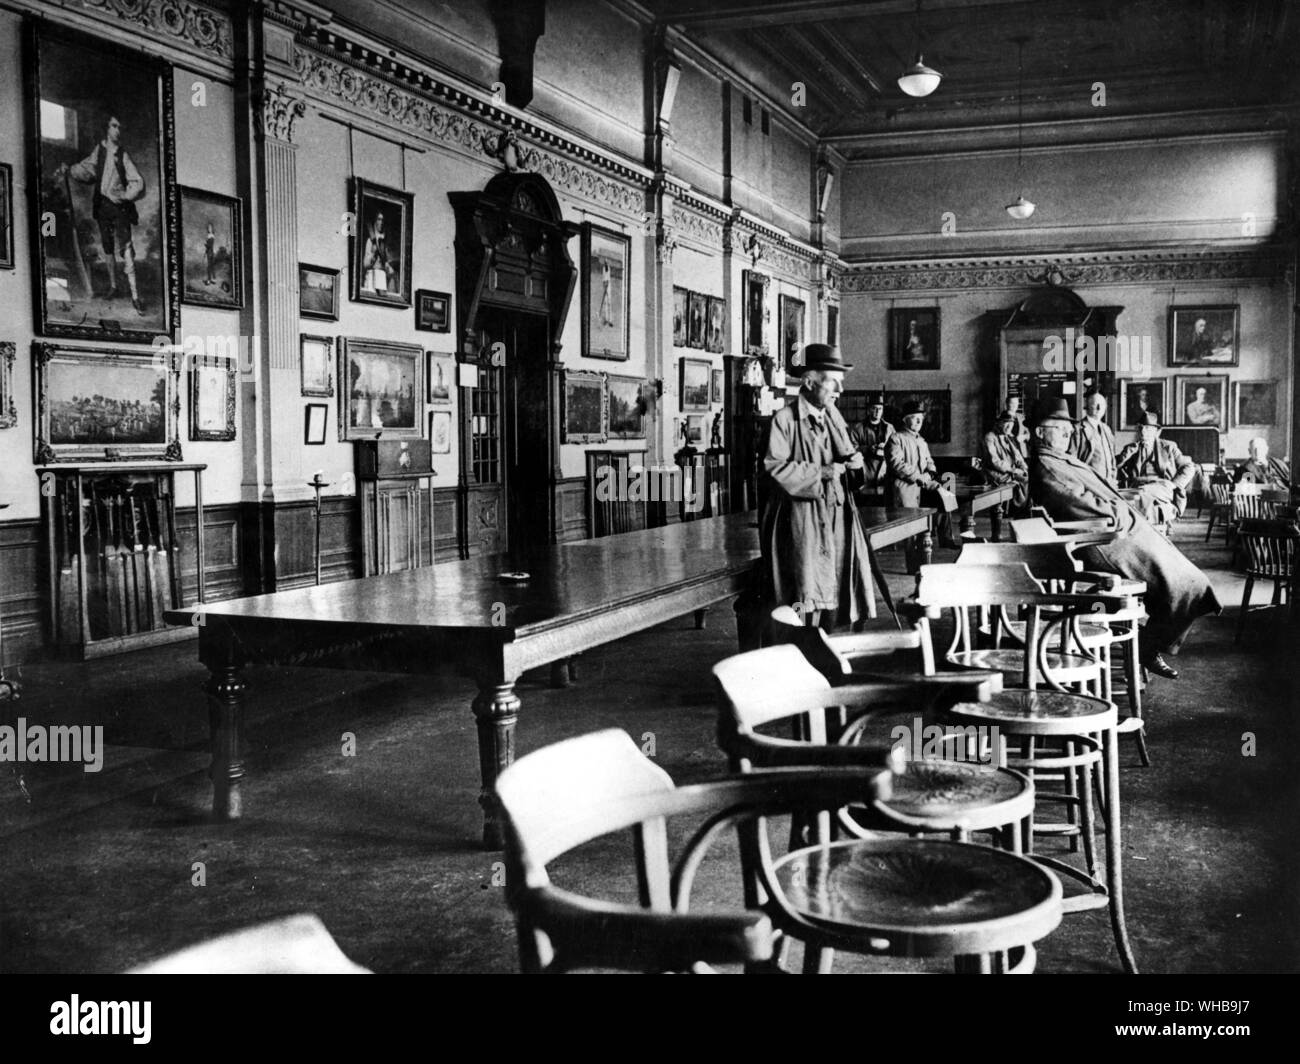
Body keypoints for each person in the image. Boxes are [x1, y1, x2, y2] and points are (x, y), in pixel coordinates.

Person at [1029, 398, 1220, 679]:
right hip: (1101, 540)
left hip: (1120, 530)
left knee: (1191, 583)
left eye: (1069, 428)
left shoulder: (1059, 458)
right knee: (1188, 586)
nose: (1068, 433)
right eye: (1060, 428)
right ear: (1039, 432)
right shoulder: (1046, 465)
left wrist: (1125, 507)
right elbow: (1080, 503)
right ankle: (1148, 645)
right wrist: (1121, 509)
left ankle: (1149, 642)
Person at [758, 344, 874, 631]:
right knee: (803, 587)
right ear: (809, 382)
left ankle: (827, 644)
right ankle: (802, 647)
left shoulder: (834, 417)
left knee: (834, 582)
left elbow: (849, 469)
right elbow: (774, 468)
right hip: (803, 520)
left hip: (835, 517)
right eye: (833, 382)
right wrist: (821, 472)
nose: (840, 391)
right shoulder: (783, 420)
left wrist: (855, 464)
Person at [59, 115, 147, 314]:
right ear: (107, 128)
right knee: (107, 247)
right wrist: (70, 170)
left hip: (119, 208)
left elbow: (137, 181)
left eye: (120, 127)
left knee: (125, 247)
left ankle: (135, 295)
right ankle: (113, 287)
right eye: (114, 126)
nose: (117, 130)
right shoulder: (99, 151)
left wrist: (125, 195)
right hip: (103, 207)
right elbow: (86, 169)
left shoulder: (122, 154)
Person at [887, 398, 959, 570]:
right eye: (914, 417)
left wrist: (930, 472)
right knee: (911, 529)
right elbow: (897, 464)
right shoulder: (896, 439)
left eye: (921, 417)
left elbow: (929, 461)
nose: (919, 421)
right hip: (906, 489)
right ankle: (913, 567)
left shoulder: (921, 440)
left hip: (923, 487)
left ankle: (938, 548)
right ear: (905, 419)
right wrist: (921, 477)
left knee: (928, 521)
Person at [1116, 411, 1197, 526]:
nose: (1143, 432)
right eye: (1140, 428)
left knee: (1141, 495)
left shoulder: (1169, 447)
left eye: (1148, 428)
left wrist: (1174, 484)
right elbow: (1112, 467)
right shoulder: (1130, 449)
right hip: (1137, 487)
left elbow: (1189, 467)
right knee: (1146, 503)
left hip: (1163, 487)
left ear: (1157, 431)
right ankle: (1153, 532)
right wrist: (1125, 455)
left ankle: (1143, 531)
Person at [980, 408, 1029, 510]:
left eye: (1011, 424)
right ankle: (1020, 509)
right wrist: (1014, 470)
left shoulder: (1008, 438)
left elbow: (1018, 457)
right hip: (995, 473)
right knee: (1025, 481)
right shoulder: (989, 437)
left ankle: (1026, 508)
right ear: (999, 423)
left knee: (1028, 477)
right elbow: (995, 461)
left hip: (1010, 472)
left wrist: (1025, 468)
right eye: (1006, 423)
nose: (1009, 427)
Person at [849, 393, 894, 498]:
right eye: (874, 408)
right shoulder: (858, 428)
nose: (878, 411)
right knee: (867, 499)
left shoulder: (889, 428)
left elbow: (896, 448)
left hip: (884, 469)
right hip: (866, 469)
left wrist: (886, 448)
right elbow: (851, 449)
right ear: (869, 410)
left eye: (880, 408)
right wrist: (868, 449)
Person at [1073, 388, 1118, 488]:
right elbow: (1072, 461)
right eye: (1094, 404)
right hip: (1089, 485)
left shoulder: (1106, 429)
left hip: (1109, 485)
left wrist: (1113, 478)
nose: (1099, 408)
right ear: (1087, 406)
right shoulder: (1078, 429)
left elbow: (1112, 458)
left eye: (1102, 405)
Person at [363, 211, 393, 293]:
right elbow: (365, 264)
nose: (381, 223)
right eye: (379, 219)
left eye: (383, 220)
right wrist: (373, 254)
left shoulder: (384, 243)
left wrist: (388, 266)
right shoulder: (370, 241)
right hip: (372, 276)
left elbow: (387, 262)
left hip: (382, 278)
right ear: (375, 221)